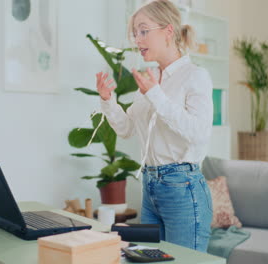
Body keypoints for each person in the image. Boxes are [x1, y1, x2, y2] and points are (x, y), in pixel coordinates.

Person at [96, 0, 213, 252]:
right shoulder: (152, 78)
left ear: (168, 31)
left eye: (143, 30)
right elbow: (127, 129)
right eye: (135, 33)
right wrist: (109, 101)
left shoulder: (195, 76)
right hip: (150, 187)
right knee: (149, 259)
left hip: (183, 188)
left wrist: (156, 95)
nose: (137, 39)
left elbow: (198, 132)